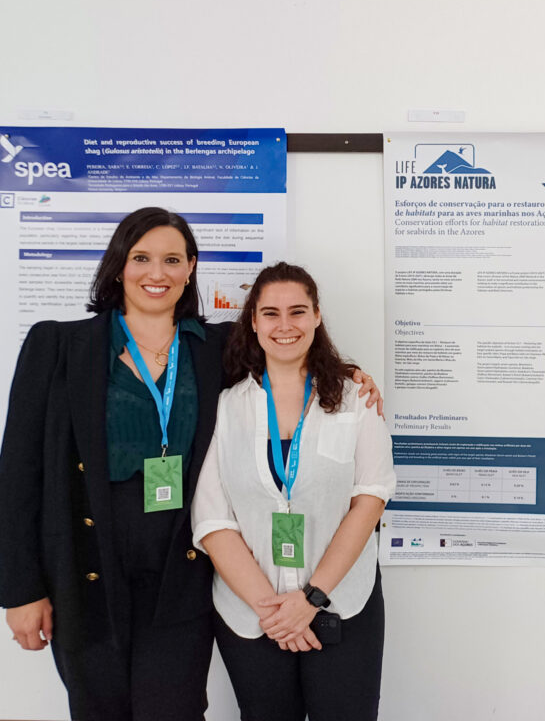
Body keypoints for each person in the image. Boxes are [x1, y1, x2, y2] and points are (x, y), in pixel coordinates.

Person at [0, 207, 381, 721]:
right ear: (118, 265)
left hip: (179, 573)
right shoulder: (59, 345)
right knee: (98, 709)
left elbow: (289, 355)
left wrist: (351, 375)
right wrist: (21, 591)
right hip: (88, 569)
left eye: (172, 260)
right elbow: (18, 475)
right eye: (141, 258)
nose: (156, 273)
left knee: (174, 710)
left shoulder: (215, 347)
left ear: (190, 268)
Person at [192, 262, 395, 721]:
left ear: (317, 316)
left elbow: (370, 500)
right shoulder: (226, 407)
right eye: (271, 313)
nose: (285, 325)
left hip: (342, 606)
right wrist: (277, 612)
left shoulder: (356, 400)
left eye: (298, 311)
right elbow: (213, 520)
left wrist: (311, 600)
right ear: (253, 322)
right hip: (253, 616)